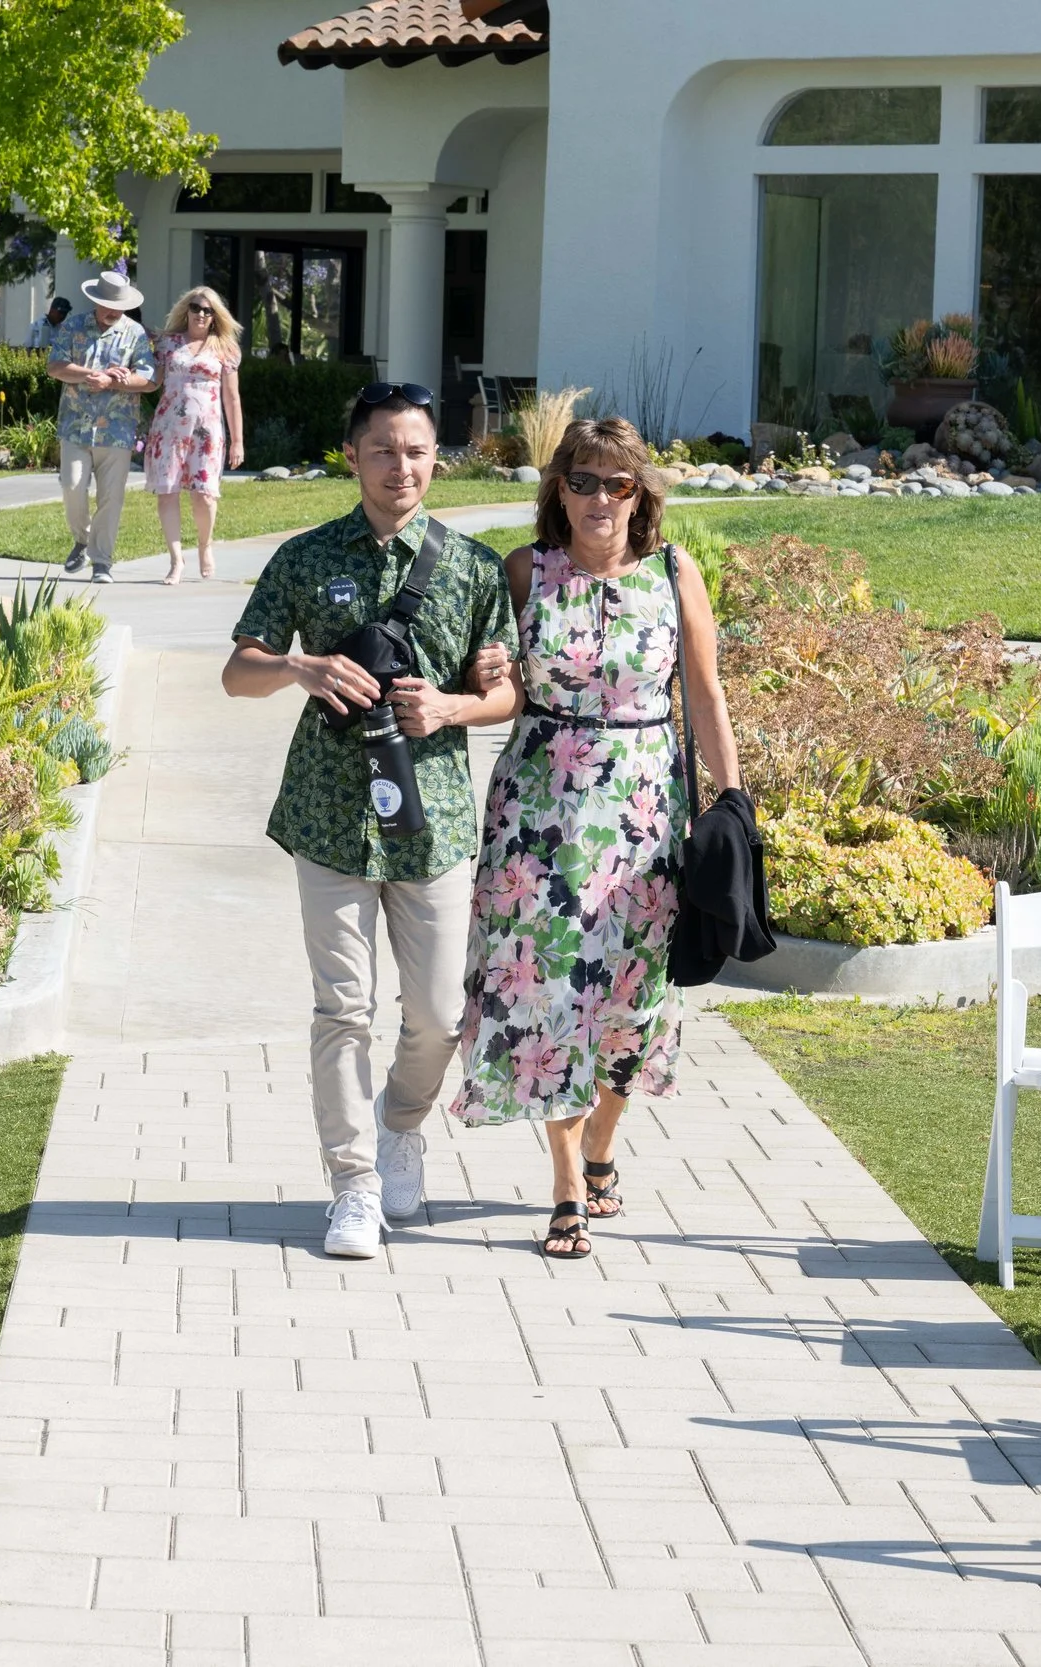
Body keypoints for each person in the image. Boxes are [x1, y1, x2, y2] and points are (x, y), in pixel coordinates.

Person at [221, 385, 520, 1259]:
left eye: (418, 450)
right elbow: (238, 673)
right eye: (383, 450)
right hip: (328, 815)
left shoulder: (470, 567)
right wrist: (299, 667)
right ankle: (352, 1184)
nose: (402, 466)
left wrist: (454, 707)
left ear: (437, 459)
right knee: (341, 1010)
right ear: (352, 456)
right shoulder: (306, 557)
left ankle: (400, 1127)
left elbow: (504, 690)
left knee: (436, 1013)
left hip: (432, 824)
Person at [449, 416, 743, 1260]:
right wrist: (483, 675)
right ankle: (567, 1181)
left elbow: (708, 693)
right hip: (537, 813)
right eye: (583, 481)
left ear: (641, 492)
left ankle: (605, 1137)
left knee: (634, 997)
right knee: (543, 993)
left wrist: (733, 802)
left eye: (619, 484)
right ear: (559, 488)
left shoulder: (673, 572)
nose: (601, 499)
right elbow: (492, 673)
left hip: (645, 814)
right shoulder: (524, 571)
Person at [44, 271, 157, 583]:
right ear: (95, 301)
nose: (113, 311)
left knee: (111, 498)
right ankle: (82, 538)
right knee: (71, 485)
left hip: (117, 430)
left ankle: (101, 562)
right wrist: (88, 375)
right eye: (108, 305)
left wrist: (113, 380)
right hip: (75, 426)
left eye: (118, 306)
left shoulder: (135, 333)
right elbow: (54, 365)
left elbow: (149, 379)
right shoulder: (73, 326)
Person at [146, 285, 246, 585]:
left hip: (207, 432)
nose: (201, 314)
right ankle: (176, 561)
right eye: (196, 308)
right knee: (167, 492)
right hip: (168, 429)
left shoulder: (225, 348)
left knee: (204, 495)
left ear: (215, 316)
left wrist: (238, 441)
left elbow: (232, 398)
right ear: (186, 311)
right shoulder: (168, 344)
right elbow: (153, 381)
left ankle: (205, 545)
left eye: (207, 310)